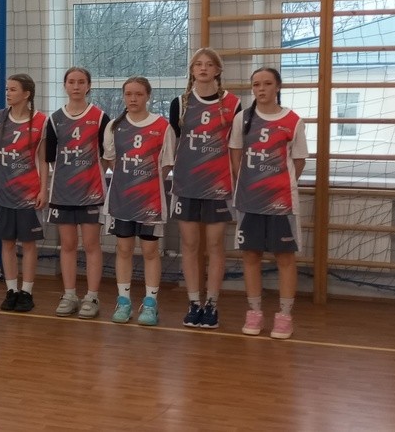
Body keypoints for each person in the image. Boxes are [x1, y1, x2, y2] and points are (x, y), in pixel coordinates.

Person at [231, 67, 308, 340]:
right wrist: (249, 185)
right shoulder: (242, 119)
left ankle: (284, 316)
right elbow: (236, 156)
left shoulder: (293, 120)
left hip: (281, 202)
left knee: (285, 257)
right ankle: (254, 312)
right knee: (250, 256)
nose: (261, 89)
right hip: (249, 200)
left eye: (266, 83)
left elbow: (299, 160)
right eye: (256, 84)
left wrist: (278, 185)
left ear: (277, 86)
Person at [169, 48, 241, 330]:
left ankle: (211, 304)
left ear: (217, 70)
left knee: (214, 245)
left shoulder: (233, 104)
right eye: (198, 64)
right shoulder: (180, 103)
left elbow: (237, 147)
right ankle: (193, 303)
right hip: (186, 183)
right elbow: (173, 144)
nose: (203, 68)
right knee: (189, 244)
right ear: (191, 70)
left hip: (218, 185)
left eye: (209, 64)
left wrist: (238, 181)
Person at [104, 76, 176, 327]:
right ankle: (124, 302)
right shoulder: (114, 126)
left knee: (149, 251)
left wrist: (144, 183)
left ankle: (150, 303)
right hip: (121, 200)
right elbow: (111, 160)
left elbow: (166, 164)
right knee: (123, 249)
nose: (133, 98)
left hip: (150, 201)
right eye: (128, 94)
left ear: (148, 96)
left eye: (138, 94)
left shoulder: (162, 126)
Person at [46, 67, 110, 319]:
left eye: (81, 82)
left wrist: (87, 174)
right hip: (63, 192)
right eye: (71, 82)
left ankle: (92, 296)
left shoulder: (100, 117)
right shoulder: (55, 119)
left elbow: (106, 156)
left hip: (91, 191)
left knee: (91, 244)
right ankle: (69, 294)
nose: (76, 86)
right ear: (64, 85)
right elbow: (51, 159)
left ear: (88, 86)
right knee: (68, 245)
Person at [0, 73, 48, 312]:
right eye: (7, 88)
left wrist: (43, 190)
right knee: (7, 242)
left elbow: (43, 160)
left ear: (26, 94)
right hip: (3, 190)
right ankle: (11, 290)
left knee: (29, 244)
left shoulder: (41, 120)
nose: (8, 93)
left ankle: (27, 292)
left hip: (29, 192)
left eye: (13, 89)